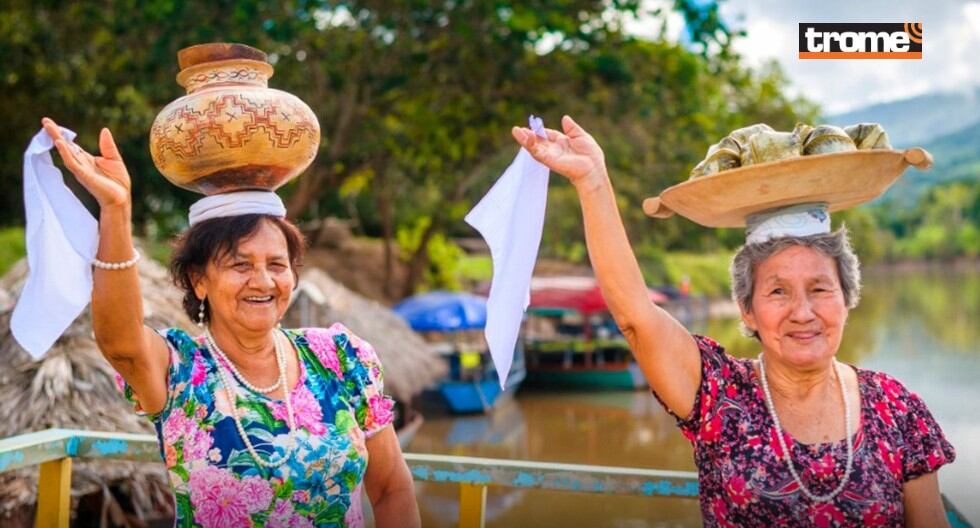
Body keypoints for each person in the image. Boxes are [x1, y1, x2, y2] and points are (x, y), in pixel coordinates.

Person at [512, 116, 955, 526]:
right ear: (747, 309)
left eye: (820, 289)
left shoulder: (896, 407)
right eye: (777, 291)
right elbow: (636, 318)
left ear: (846, 299)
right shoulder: (719, 396)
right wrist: (593, 181)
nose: (803, 312)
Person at [41, 117, 420, 528]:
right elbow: (119, 341)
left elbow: (391, 489)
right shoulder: (181, 372)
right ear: (199, 280)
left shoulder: (340, 358)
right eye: (240, 265)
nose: (263, 281)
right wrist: (115, 210)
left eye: (277, 264)